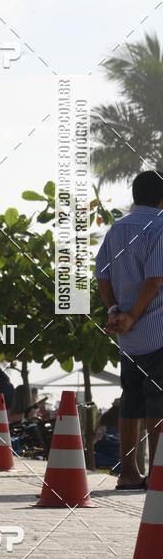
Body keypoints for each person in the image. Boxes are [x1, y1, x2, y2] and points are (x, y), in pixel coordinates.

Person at [96, 169, 163, 489]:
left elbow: (103, 277)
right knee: (158, 402)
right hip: (157, 329)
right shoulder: (161, 225)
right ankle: (157, 473)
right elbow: (155, 279)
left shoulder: (117, 229)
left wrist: (116, 312)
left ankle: (128, 473)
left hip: (127, 335)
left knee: (131, 399)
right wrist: (135, 314)